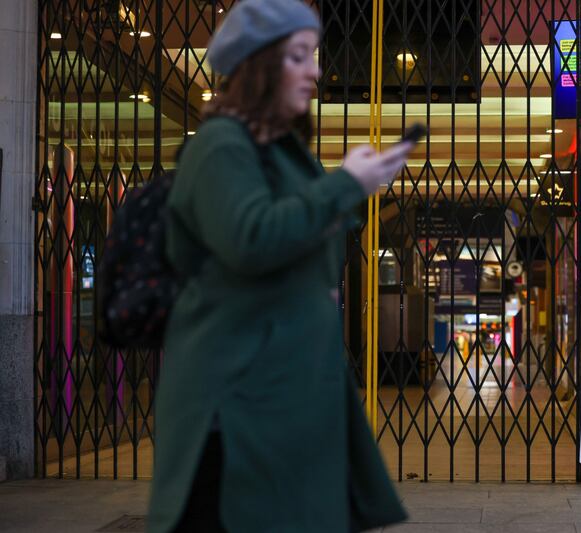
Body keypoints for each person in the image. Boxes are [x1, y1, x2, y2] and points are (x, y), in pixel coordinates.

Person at [146, 1, 413, 531]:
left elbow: (302, 232)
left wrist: (350, 194)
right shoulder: (222, 146)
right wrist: (345, 185)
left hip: (286, 397)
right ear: (260, 64)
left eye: (314, 54)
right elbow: (251, 238)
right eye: (299, 56)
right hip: (238, 407)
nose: (316, 70)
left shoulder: (284, 153)